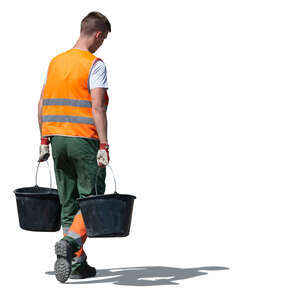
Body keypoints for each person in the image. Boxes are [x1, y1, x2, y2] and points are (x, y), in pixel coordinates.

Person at [37, 11, 111, 283]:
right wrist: (104, 144)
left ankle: (76, 263)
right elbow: (97, 105)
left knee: (68, 202)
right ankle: (70, 244)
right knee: (92, 199)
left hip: (57, 139)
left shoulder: (56, 62)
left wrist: (44, 141)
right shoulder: (95, 64)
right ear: (98, 34)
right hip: (84, 139)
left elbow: (42, 104)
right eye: (104, 40)